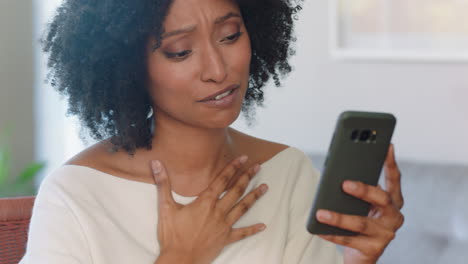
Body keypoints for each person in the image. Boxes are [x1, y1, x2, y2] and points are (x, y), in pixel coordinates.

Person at [20, 0, 405, 263]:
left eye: (230, 35)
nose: (218, 70)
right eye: (180, 51)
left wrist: (356, 260)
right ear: (127, 67)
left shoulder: (288, 172)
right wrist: (180, 257)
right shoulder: (78, 196)